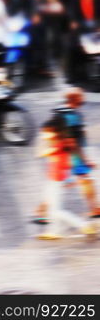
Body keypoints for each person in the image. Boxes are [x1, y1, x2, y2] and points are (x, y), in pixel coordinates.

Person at [34, 88, 100, 222]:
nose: (84, 98)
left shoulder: (62, 110)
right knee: (60, 184)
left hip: (61, 153)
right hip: (68, 155)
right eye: (81, 96)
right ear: (75, 99)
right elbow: (71, 141)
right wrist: (84, 159)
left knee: (63, 183)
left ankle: (94, 208)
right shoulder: (71, 116)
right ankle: (41, 212)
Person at [35, 116, 96, 240]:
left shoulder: (60, 145)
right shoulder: (60, 142)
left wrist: (47, 144)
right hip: (54, 178)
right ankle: (54, 231)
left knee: (56, 211)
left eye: (47, 131)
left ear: (55, 131)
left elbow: (42, 153)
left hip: (56, 180)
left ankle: (84, 225)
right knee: (53, 208)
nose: (45, 134)